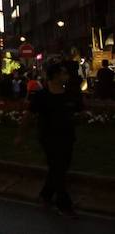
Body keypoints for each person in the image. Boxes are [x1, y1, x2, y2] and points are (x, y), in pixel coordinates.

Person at [16, 61, 84, 218]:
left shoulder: (71, 95)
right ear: (55, 76)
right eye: (63, 73)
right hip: (49, 137)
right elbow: (29, 116)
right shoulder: (42, 96)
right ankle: (64, 204)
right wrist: (21, 135)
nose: (66, 76)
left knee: (60, 167)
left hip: (67, 136)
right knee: (58, 168)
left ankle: (46, 195)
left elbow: (80, 112)